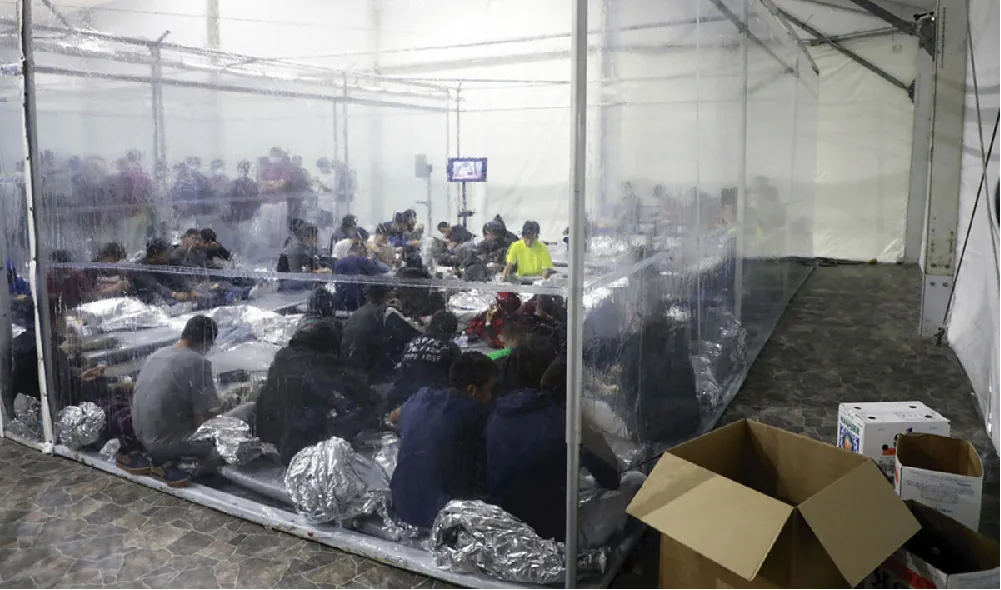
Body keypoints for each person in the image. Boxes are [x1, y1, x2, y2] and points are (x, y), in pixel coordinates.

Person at [485, 336, 627, 544]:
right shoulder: (561, 420)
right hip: (556, 537)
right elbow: (612, 478)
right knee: (635, 481)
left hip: (508, 529)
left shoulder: (497, 413)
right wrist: (586, 430)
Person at [390, 352, 499, 528]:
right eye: (489, 390)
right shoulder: (476, 411)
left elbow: (393, 418)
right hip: (441, 516)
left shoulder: (422, 397)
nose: (491, 397)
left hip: (401, 504)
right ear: (472, 390)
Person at [256, 318, 379, 464]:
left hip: (269, 433)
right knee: (366, 412)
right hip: (302, 443)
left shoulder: (283, 356)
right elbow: (358, 389)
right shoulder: (322, 361)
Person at [124, 316, 227, 486]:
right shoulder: (198, 363)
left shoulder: (156, 355)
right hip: (166, 445)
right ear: (207, 342)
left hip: (141, 436)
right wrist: (226, 407)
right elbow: (205, 420)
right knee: (239, 421)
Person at [385, 311, 461, 410]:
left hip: (404, 399)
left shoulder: (411, 343)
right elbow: (459, 379)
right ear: (451, 332)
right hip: (433, 402)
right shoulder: (450, 348)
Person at [341, 284, 396, 381]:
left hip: (349, 362)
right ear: (386, 296)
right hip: (365, 366)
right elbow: (381, 343)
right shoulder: (379, 313)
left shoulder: (359, 312)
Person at [131, 239, 197, 304]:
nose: (169, 253)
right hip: (145, 300)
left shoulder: (165, 262)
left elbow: (178, 277)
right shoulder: (140, 267)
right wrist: (174, 294)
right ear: (156, 254)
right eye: (166, 252)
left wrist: (191, 289)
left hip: (166, 297)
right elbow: (155, 286)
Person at [332, 245, 387, 311]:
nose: (366, 255)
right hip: (360, 301)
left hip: (342, 300)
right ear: (362, 251)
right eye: (366, 252)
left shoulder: (339, 262)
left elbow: (336, 281)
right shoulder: (363, 261)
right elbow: (377, 277)